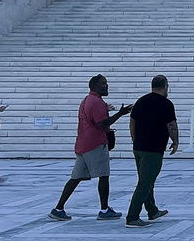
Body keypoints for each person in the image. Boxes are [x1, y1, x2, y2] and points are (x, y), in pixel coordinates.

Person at [49, 74, 132, 222]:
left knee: (75, 178)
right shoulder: (95, 102)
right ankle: (104, 209)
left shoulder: (89, 100)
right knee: (104, 175)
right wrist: (120, 113)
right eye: (103, 84)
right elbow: (101, 124)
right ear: (94, 86)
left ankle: (58, 208)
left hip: (83, 144)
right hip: (95, 144)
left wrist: (106, 109)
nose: (107, 86)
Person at [125, 75, 177, 228]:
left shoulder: (141, 101)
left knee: (147, 180)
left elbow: (132, 122)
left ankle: (152, 211)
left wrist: (134, 140)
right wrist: (175, 141)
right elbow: (171, 124)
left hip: (139, 147)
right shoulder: (166, 103)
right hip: (153, 149)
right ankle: (132, 216)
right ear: (165, 86)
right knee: (145, 183)